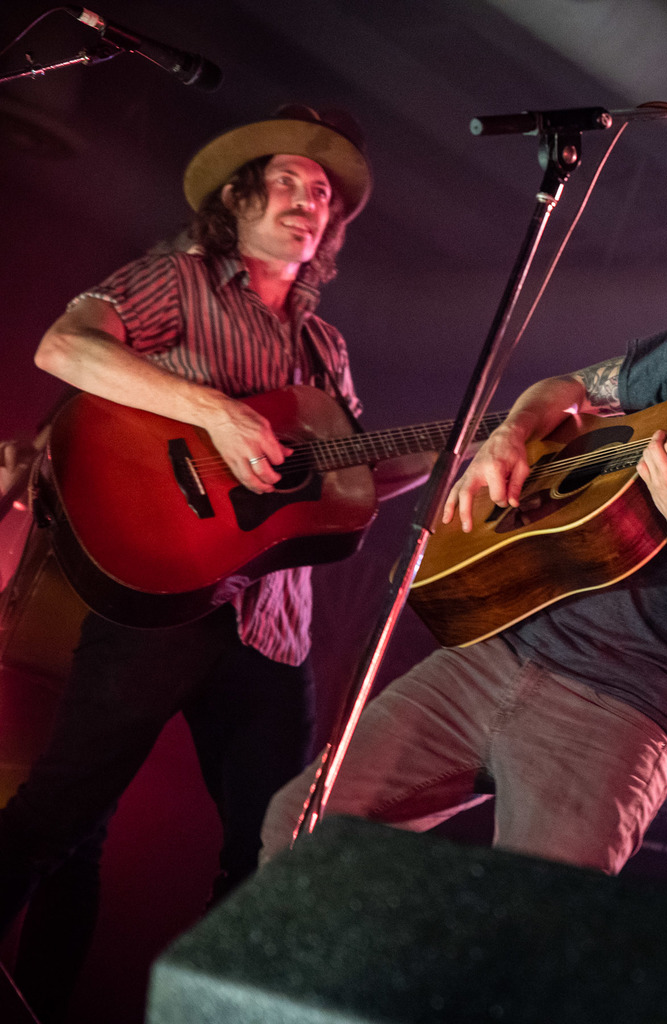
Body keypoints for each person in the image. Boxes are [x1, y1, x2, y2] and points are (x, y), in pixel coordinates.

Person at [260, 178, 667, 879]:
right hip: (494, 649)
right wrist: (513, 433)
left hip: (622, 712)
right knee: (299, 826)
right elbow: (567, 391)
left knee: (539, 918)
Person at [0, 104, 430, 1024]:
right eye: (288, 182)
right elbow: (64, 347)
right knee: (57, 820)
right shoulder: (178, 280)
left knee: (270, 855)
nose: (309, 201)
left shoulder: (325, 347)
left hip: (272, 627)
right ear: (236, 199)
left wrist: (461, 450)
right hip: (161, 588)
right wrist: (215, 412)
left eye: (323, 194)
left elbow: (343, 482)